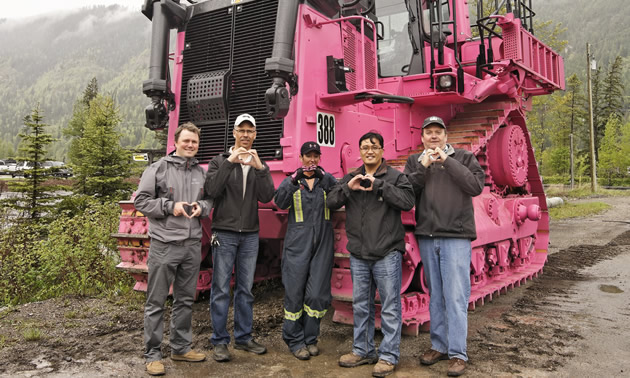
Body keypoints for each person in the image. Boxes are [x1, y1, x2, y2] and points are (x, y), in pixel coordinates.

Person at [327, 131, 415, 378]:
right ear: (360, 151)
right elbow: (331, 201)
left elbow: (407, 201)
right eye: (364, 147)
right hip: (359, 253)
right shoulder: (351, 177)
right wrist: (347, 188)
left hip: (387, 252)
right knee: (361, 306)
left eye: (374, 147)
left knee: (389, 306)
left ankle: (388, 356)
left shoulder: (396, 177)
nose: (369, 151)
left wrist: (380, 186)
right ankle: (363, 350)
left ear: (382, 150)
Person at [403, 116, 485, 377]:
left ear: (446, 137)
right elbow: (406, 194)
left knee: (456, 295)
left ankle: (458, 353)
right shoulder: (415, 162)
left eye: (438, 132)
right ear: (422, 138)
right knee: (436, 295)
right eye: (429, 133)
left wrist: (447, 162)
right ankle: (439, 345)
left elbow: (475, 186)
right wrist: (423, 167)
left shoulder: (463, 158)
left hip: (456, 237)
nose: (434, 137)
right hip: (427, 236)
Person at [134, 122, 212, 376]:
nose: (190, 145)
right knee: (156, 301)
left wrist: (203, 206)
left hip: (191, 245)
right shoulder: (157, 169)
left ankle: (180, 348)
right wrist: (170, 206)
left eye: (194, 142)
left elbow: (210, 199)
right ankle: (153, 355)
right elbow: (141, 201)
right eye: (186, 141)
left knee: (185, 300)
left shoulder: (201, 172)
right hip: (165, 245)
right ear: (176, 142)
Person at [204, 113, 275, 362]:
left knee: (246, 289)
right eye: (241, 130)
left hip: (250, 236)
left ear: (255, 135)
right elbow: (211, 190)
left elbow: (267, 197)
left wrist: (262, 169)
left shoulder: (258, 163)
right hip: (224, 233)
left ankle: (244, 338)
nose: (246, 135)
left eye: (250, 131)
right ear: (234, 133)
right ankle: (220, 341)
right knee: (221, 288)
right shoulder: (219, 160)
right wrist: (230, 162)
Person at [273, 141, 337, 360]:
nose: (311, 160)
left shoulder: (327, 182)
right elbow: (280, 202)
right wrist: (292, 180)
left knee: (317, 295)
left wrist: (328, 178)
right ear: (300, 158)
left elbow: (339, 198)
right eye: (307, 156)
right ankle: (294, 340)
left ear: (319, 159)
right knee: (294, 294)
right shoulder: (292, 182)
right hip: (296, 247)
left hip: (322, 247)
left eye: (315, 156)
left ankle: (311, 338)